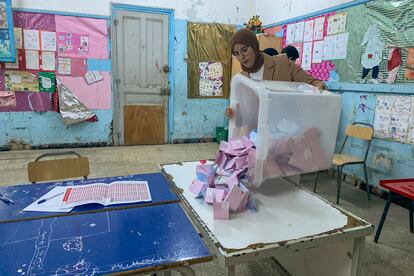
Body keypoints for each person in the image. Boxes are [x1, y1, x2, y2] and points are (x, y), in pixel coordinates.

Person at [226, 29, 326, 119]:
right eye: (236, 54)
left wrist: (314, 104)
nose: (242, 57)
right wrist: (235, 114)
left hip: (287, 131)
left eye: (244, 50)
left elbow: (315, 83)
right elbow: (246, 118)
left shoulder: (282, 64)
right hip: (256, 134)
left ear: (254, 46)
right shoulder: (241, 79)